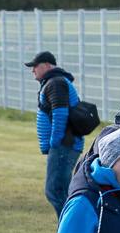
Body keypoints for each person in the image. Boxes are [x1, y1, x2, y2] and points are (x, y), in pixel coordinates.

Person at [29, 52, 82, 214]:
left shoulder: (55, 83)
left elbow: (60, 114)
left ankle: (71, 228)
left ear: (46, 65)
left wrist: (54, 143)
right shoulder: (54, 81)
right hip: (64, 146)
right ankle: (68, 229)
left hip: (63, 146)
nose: (32, 70)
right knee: (61, 191)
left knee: (55, 191)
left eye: (35, 66)